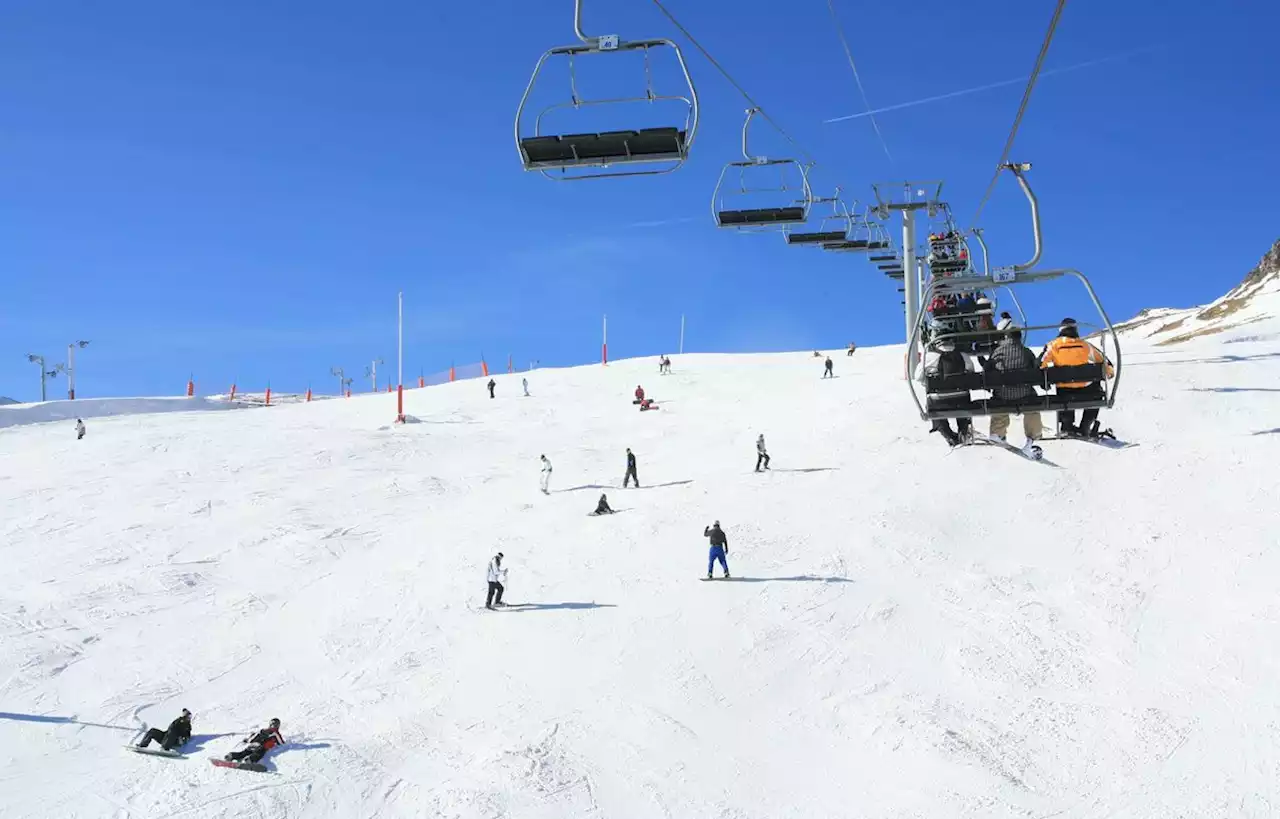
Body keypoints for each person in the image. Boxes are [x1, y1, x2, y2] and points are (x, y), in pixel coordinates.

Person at [1041, 318, 1115, 437]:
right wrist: (1110, 372)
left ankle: (1067, 425)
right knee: (1096, 389)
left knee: (1063, 387)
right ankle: (1086, 424)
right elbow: (1104, 361)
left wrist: (1043, 380)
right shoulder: (1085, 345)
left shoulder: (1053, 345)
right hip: (1086, 390)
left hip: (1064, 391)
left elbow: (1040, 364)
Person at [984, 327, 1044, 452]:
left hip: (1003, 394)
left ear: (1006, 337)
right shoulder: (1026, 352)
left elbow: (988, 371)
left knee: (998, 398)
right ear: (1019, 337)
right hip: (1024, 394)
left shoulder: (997, 352)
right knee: (1033, 405)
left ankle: (997, 432)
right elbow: (1035, 370)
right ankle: (1033, 436)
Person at [922, 338, 974, 447]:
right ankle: (963, 430)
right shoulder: (963, 356)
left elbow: (918, 376)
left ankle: (947, 433)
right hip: (961, 399)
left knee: (934, 402)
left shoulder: (930, 357)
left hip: (938, 401)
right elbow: (971, 373)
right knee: (962, 399)